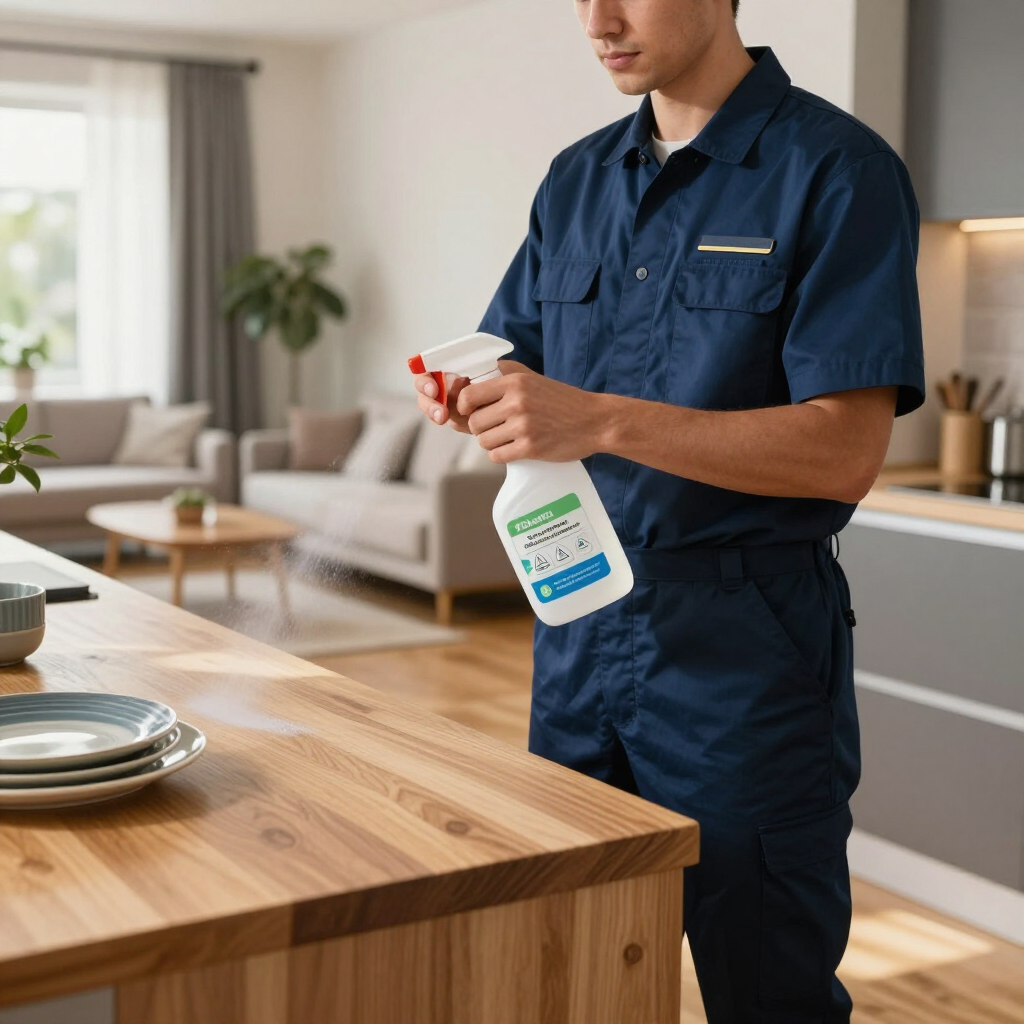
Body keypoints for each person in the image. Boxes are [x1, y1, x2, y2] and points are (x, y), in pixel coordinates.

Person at [412, 1, 925, 1021]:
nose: (597, 19)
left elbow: (845, 451)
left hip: (746, 655)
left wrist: (594, 418)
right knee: (567, 965)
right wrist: (479, 387)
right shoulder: (574, 179)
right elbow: (519, 356)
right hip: (577, 625)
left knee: (765, 988)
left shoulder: (837, 168)